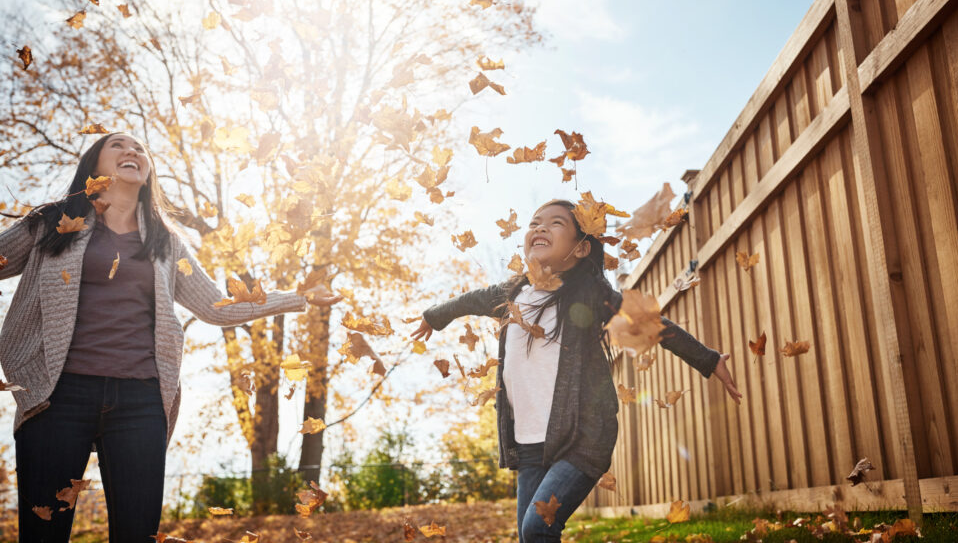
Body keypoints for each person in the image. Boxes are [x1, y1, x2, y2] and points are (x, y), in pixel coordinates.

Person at [0, 132, 340, 543]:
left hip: (140, 402)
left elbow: (216, 305)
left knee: (138, 535)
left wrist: (298, 297)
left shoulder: (166, 243)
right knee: (43, 532)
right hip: (57, 396)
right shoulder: (53, 224)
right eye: (118, 146)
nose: (132, 152)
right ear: (94, 167)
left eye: (140, 149)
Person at [412, 199, 742, 542]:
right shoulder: (511, 293)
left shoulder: (589, 293)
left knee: (538, 526)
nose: (540, 228)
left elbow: (649, 323)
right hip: (529, 445)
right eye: (535, 222)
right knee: (531, 537)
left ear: (581, 248)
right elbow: (468, 300)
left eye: (555, 224)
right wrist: (433, 316)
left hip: (582, 438)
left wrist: (708, 358)